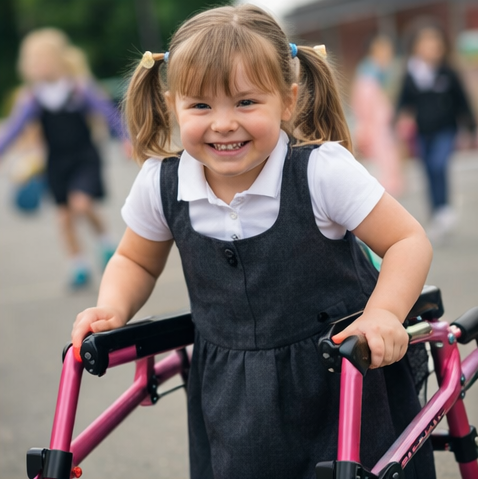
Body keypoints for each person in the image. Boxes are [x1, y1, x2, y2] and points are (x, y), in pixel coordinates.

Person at [72, 5, 435, 478]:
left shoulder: (320, 171)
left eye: (245, 102)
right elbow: (135, 262)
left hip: (344, 376)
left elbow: (407, 239)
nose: (223, 123)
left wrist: (384, 313)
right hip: (233, 395)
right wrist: (113, 308)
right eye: (200, 106)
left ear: (288, 101)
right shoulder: (161, 184)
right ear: (172, 105)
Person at [0, 28, 124, 288]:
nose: (39, 66)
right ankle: (77, 265)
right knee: (63, 217)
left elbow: (108, 113)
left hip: (84, 157)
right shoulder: (32, 98)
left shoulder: (79, 88)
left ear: (59, 58)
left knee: (81, 204)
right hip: (55, 163)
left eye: (44, 59)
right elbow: (13, 129)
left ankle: (106, 241)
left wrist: (127, 139)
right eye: (34, 61)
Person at [396, 20, 477, 243]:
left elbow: (462, 101)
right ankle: (437, 212)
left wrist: (470, 126)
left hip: (446, 130)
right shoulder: (412, 74)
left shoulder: (448, 72)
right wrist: (398, 119)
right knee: (428, 170)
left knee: (439, 164)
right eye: (426, 43)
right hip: (422, 132)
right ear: (415, 46)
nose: (432, 47)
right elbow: (403, 102)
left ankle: (445, 208)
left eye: (436, 43)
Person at [351, 34, 404, 197]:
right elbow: (366, 105)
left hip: (380, 124)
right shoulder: (369, 74)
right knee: (381, 160)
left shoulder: (380, 72)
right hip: (375, 125)